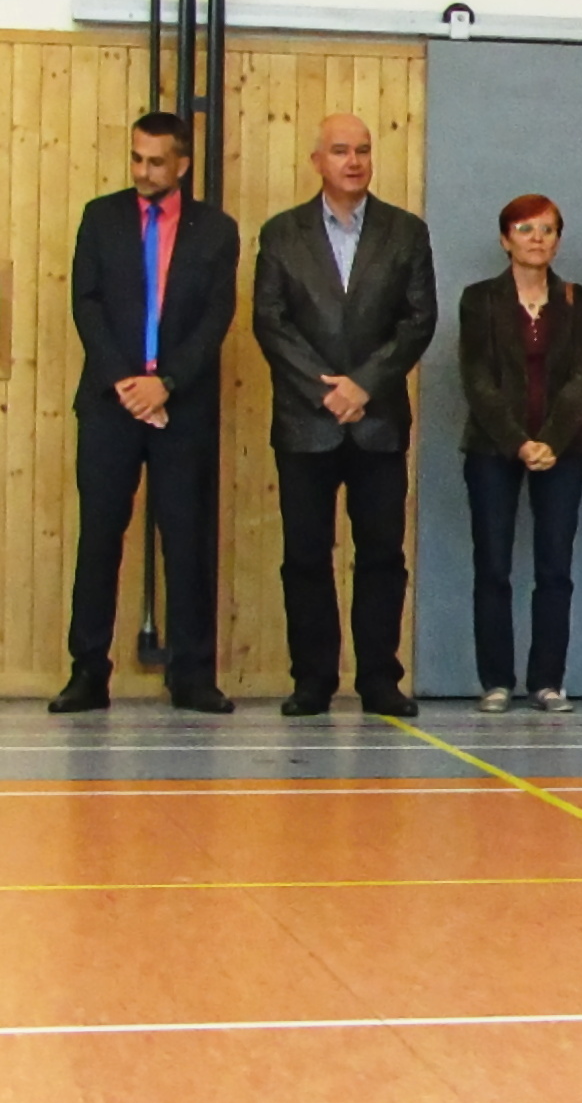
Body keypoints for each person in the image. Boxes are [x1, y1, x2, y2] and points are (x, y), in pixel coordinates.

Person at [52, 111, 240, 715]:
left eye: (156, 162)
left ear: (182, 164)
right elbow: (86, 303)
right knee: (100, 537)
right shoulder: (100, 218)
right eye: (136, 158)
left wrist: (168, 383)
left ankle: (192, 675)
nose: (143, 171)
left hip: (181, 406)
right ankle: (88, 672)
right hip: (111, 403)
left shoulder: (216, 231)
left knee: (186, 540)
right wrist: (125, 381)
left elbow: (215, 318)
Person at [252, 112, 438, 717]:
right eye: (339, 150)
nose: (353, 161)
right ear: (317, 162)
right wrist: (325, 390)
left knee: (382, 556)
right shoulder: (282, 233)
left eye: (362, 150)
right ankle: (313, 681)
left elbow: (419, 321)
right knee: (306, 557)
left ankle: (379, 680)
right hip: (306, 423)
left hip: (377, 421)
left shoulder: (405, 232)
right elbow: (270, 322)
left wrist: (364, 385)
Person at [457, 195, 582, 714]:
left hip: (562, 449)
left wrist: (550, 442)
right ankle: (496, 680)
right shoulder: (479, 299)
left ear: (557, 240)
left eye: (547, 229)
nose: (536, 238)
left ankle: (547, 681)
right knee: (493, 565)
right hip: (493, 447)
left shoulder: (576, 299)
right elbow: (476, 378)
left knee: (555, 567)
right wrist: (519, 441)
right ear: (505, 239)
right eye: (524, 228)